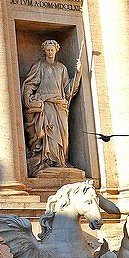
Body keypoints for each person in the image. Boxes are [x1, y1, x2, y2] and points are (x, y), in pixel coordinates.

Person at [22, 39, 81, 176]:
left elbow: (69, 90)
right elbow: (30, 84)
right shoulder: (39, 66)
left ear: (56, 51)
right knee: (47, 133)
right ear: (44, 51)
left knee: (62, 135)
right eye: (47, 50)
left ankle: (60, 161)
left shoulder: (62, 68)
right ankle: (46, 160)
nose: (49, 52)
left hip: (60, 105)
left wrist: (78, 73)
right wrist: (28, 98)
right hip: (46, 103)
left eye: (52, 50)